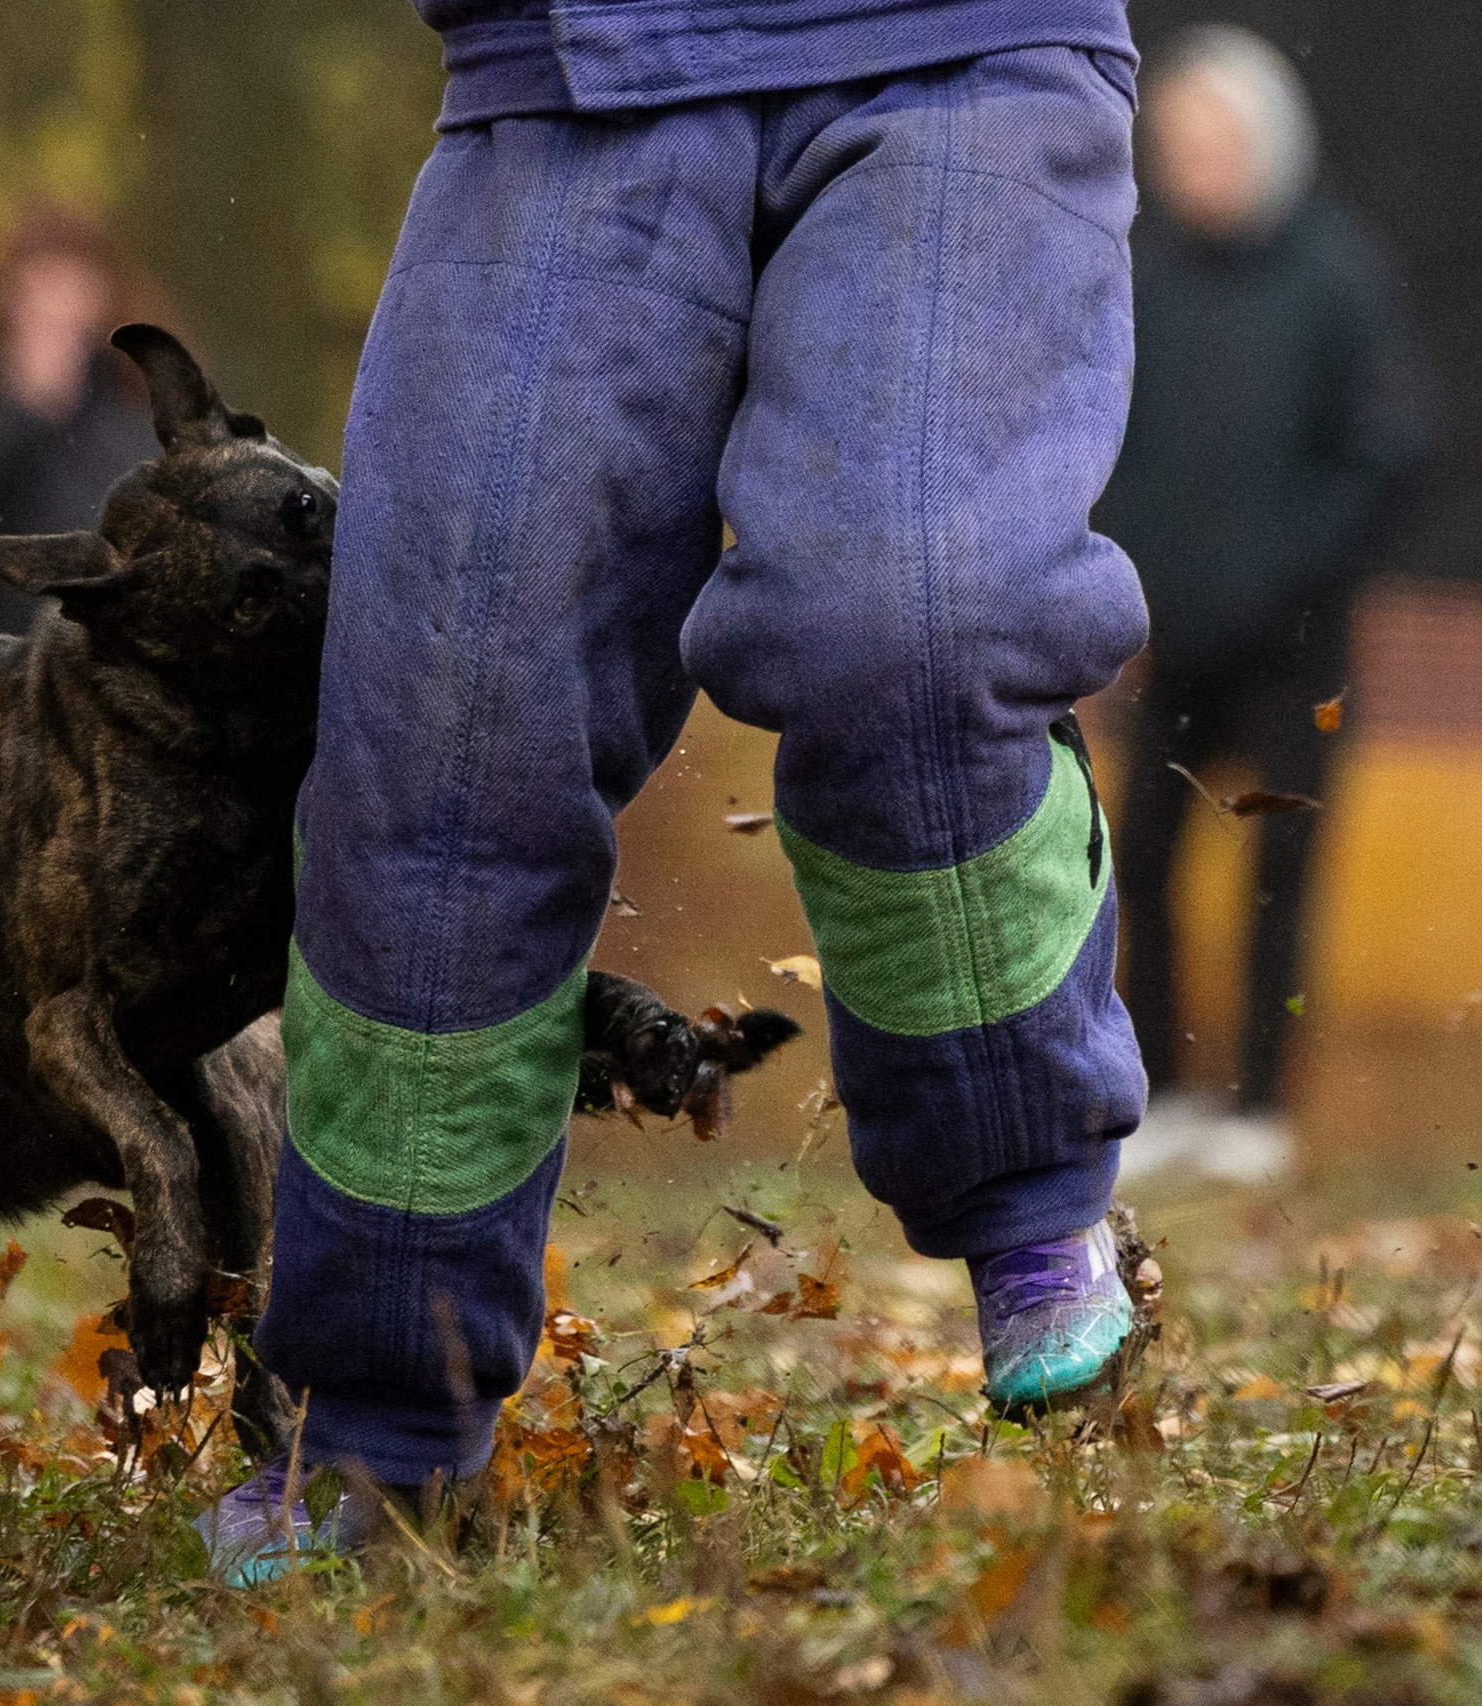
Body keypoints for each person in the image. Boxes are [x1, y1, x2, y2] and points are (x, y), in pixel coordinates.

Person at [205, 0, 1156, 1580]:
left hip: (959, 44)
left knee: (904, 616)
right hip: (566, 68)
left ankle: (1032, 1186)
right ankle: (380, 1402)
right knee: (447, 723)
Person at [1098, 28, 1427, 1183]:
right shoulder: (1138, 275)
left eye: (1216, 139)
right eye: (1175, 142)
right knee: (1137, 858)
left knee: (1279, 869)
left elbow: (1383, 451)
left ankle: (1259, 1109)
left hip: (1294, 649)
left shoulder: (1337, 274)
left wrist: (1278, 572)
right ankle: (1164, 1093)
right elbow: (1107, 448)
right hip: (1173, 643)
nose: (1196, 163)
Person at [0, 206, 166, 635]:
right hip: (12, 661)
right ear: (8, 299)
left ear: (103, 294)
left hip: (119, 661)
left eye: (69, 283)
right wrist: (24, 414)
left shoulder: (145, 397)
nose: (54, 306)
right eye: (37, 286)